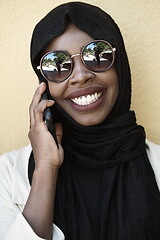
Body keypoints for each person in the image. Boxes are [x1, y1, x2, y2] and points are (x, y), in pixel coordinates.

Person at [0, 2, 160, 240]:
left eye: (97, 54)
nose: (81, 76)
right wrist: (45, 168)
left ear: (120, 65)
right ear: (43, 83)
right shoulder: (7, 174)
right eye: (56, 64)